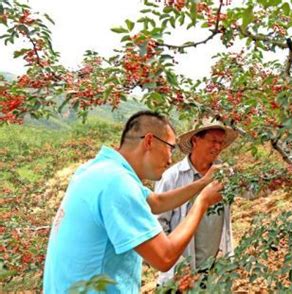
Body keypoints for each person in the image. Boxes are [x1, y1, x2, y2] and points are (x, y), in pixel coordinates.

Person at [43, 111, 223, 293]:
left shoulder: (99, 169)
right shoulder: (117, 183)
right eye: (170, 148)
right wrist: (202, 203)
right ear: (149, 141)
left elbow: (157, 202)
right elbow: (164, 258)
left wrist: (202, 182)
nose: (170, 159)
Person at [155, 118, 244, 286]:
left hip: (214, 273)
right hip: (180, 276)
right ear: (195, 140)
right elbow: (158, 226)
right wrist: (180, 265)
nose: (218, 147)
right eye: (213, 141)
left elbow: (251, 191)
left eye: (220, 142)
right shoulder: (172, 178)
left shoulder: (225, 175)